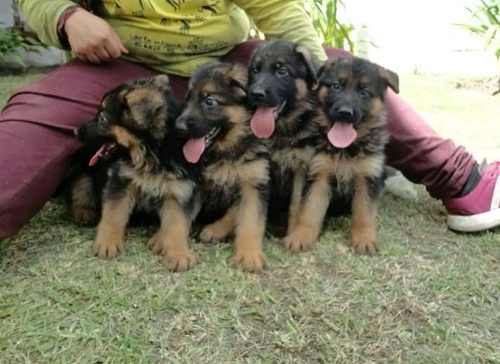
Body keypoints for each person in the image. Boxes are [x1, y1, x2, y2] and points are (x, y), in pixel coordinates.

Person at [0, 0, 498, 240]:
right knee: (33, 119)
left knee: (342, 69)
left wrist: (315, 67)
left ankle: (463, 180)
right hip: (117, 60)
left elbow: (278, 6)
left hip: (227, 57)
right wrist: (67, 16)